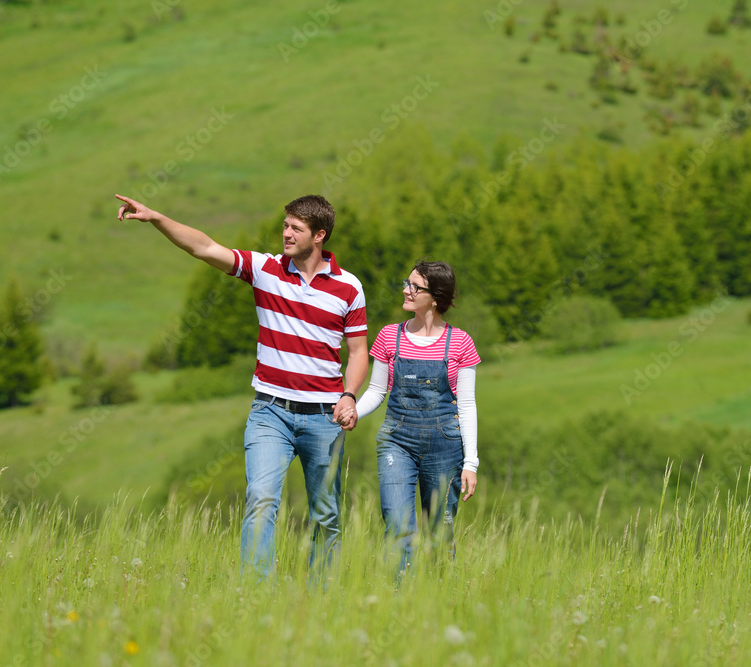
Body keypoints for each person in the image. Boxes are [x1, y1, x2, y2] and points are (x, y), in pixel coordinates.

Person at [114, 193, 368, 583]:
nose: (285, 233)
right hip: (270, 413)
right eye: (285, 225)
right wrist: (157, 218)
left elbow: (357, 352)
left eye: (295, 229)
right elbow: (204, 247)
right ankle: (254, 595)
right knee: (261, 500)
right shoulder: (265, 269)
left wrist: (350, 395)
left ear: (319, 236)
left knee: (326, 512)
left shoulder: (349, 288)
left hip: (324, 417)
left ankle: (322, 596)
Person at [341, 260, 480, 574]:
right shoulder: (390, 336)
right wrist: (353, 410)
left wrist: (471, 462)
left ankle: (441, 599)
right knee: (397, 524)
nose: (406, 290)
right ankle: (400, 595)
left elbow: (467, 405)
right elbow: (377, 391)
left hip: (446, 445)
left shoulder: (460, 342)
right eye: (407, 282)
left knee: (439, 529)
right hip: (396, 442)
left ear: (434, 297)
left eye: (415, 286)